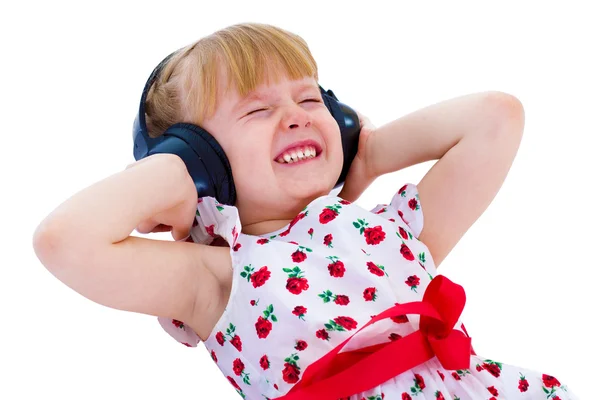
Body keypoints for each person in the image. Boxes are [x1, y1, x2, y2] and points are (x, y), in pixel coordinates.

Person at [32, 23, 577, 399]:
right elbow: (63, 240)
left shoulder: (392, 231)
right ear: (204, 159)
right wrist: (176, 174)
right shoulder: (214, 277)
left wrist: (371, 150)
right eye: (259, 109)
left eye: (312, 100)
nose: (296, 115)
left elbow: (496, 118)